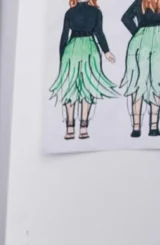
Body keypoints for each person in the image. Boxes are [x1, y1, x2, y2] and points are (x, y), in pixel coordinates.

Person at [48, 0, 119, 141]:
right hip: (89, 48)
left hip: (72, 50)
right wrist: (106, 51)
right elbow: (99, 33)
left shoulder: (70, 12)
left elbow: (64, 36)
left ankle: (70, 128)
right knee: (87, 88)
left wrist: (62, 59)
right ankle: (83, 128)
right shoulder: (96, 12)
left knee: (71, 88)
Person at [119, 0, 160, 137]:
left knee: (138, 82)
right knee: (156, 82)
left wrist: (138, 33)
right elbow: (125, 18)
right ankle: (154, 127)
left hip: (140, 42)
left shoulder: (140, 2)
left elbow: (126, 18)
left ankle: (136, 127)